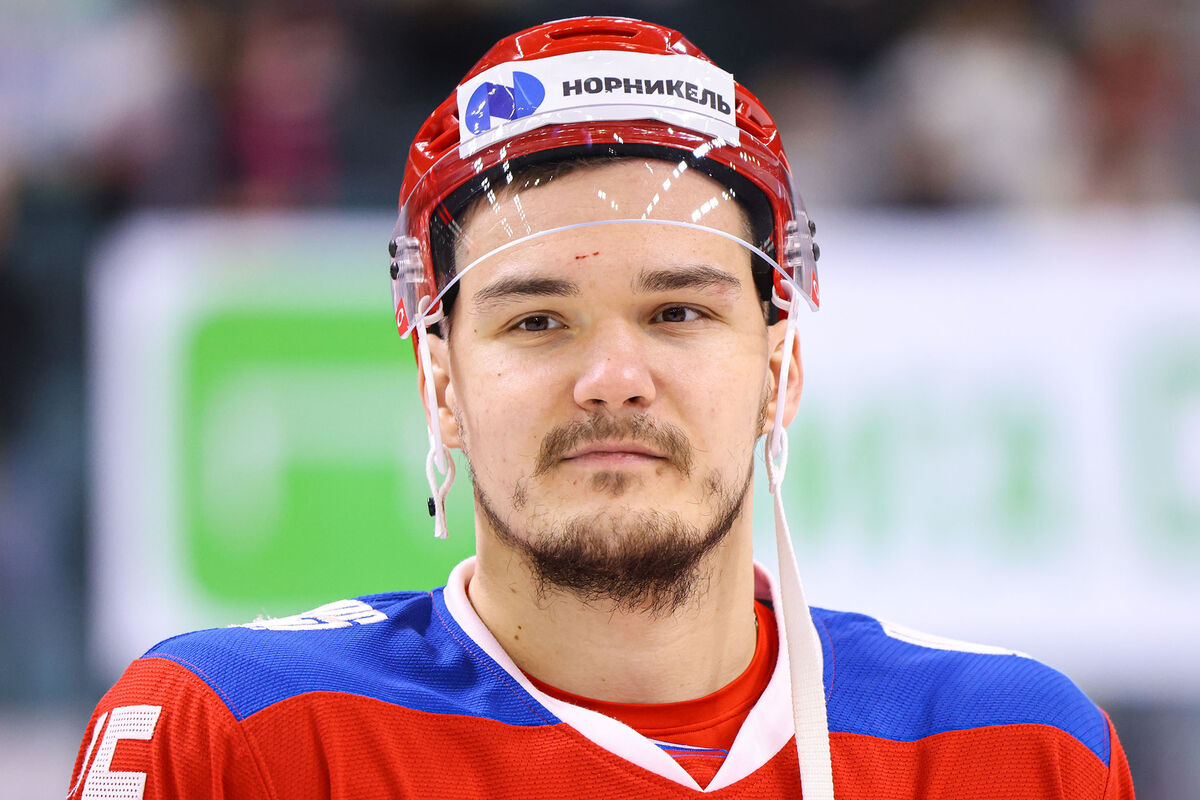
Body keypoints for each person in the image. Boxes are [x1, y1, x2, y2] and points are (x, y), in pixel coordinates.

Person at [67, 17, 1134, 799]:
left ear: (780, 372)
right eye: (538, 321)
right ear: (441, 386)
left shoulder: (1016, 751)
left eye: (678, 312)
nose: (614, 377)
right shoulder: (238, 733)